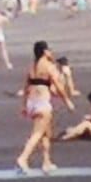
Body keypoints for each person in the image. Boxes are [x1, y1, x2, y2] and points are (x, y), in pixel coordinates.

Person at [15, 40, 74, 174]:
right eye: (49, 50)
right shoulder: (48, 66)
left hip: (32, 102)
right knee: (37, 133)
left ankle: (46, 161)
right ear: (44, 52)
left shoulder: (32, 67)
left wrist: (24, 105)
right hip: (42, 103)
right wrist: (67, 101)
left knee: (46, 133)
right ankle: (23, 158)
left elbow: (26, 87)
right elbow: (57, 87)